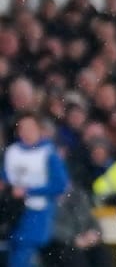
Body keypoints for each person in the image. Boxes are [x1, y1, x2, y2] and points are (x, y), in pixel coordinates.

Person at [4, 114, 69, 267]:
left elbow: (60, 184)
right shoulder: (12, 151)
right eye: (22, 128)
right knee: (14, 250)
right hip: (13, 209)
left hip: (38, 210)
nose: (26, 132)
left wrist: (29, 191)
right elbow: (6, 176)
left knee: (25, 251)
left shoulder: (48, 152)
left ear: (39, 130)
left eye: (30, 128)